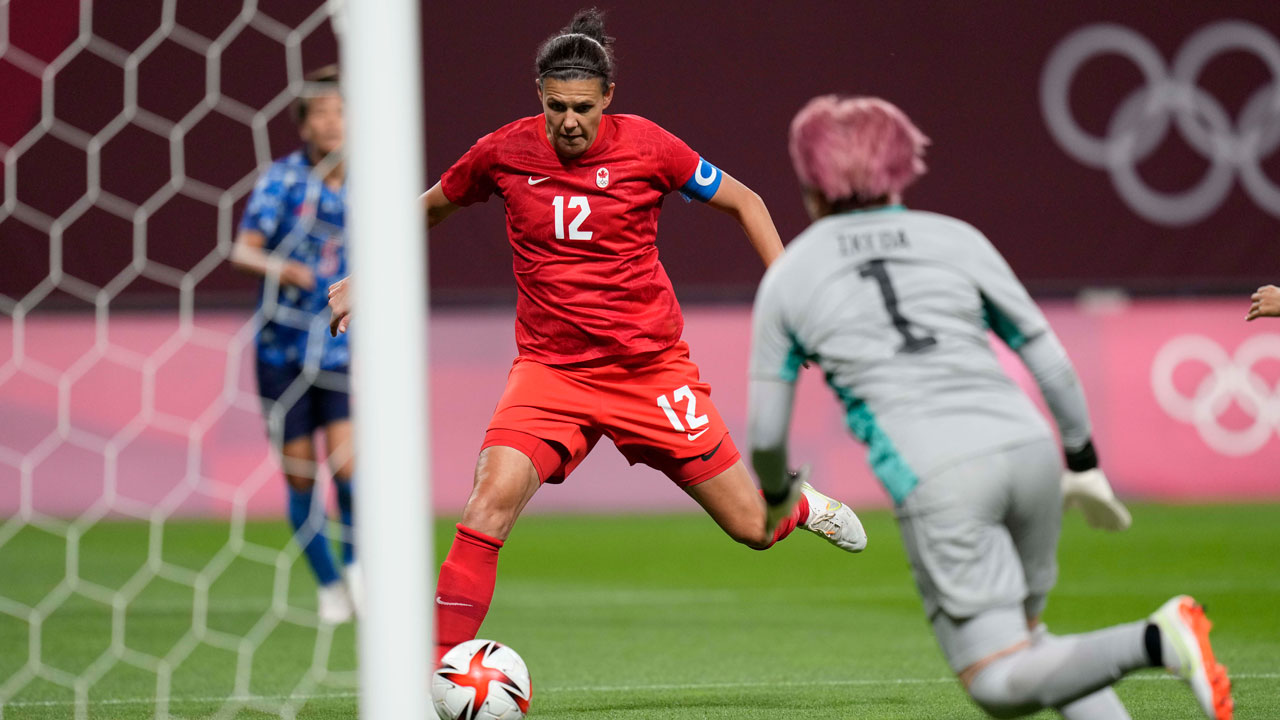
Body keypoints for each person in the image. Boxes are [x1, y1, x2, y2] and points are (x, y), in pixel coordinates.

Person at [328, 9, 867, 660]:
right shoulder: (502, 152)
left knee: (752, 527)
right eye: (557, 107)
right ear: (539, 95)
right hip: (550, 374)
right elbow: (432, 206)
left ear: (608, 97)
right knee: (488, 502)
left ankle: (798, 506)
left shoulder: (650, 147)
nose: (570, 122)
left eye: (583, 107)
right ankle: (437, 676)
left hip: (651, 371)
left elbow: (745, 201)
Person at [747, 95, 1231, 720]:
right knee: (1031, 645)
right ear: (903, 165)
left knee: (997, 683)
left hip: (939, 475)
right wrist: (1081, 460)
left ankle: (1158, 639)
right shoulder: (956, 238)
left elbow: (764, 433)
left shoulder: (791, 275)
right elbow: (1046, 355)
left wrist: (779, 494)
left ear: (810, 180)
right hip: (1029, 450)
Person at [231, 66, 359, 624]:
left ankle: (357, 572)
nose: (332, 121)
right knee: (303, 477)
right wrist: (280, 266)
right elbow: (243, 250)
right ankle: (329, 583)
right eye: (321, 113)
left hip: (342, 351)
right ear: (304, 125)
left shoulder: (370, 181)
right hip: (282, 351)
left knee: (353, 469)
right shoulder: (281, 181)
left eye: (340, 110)